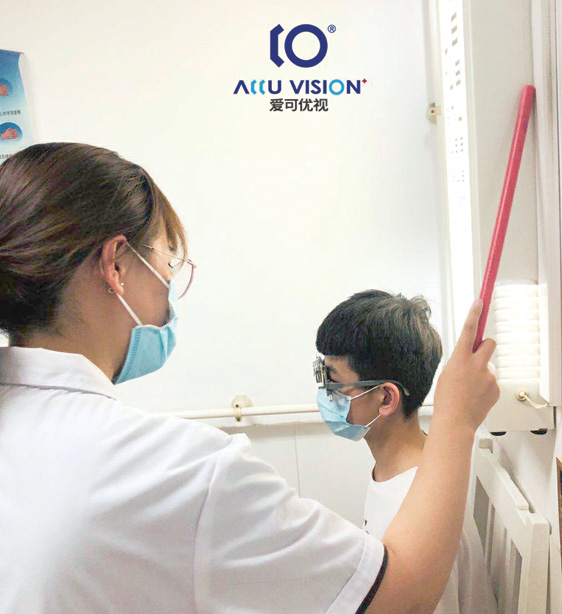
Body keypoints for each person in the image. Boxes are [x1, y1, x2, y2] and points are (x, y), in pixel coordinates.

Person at [0, 142, 499, 613]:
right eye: (168, 261)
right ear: (116, 266)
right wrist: (456, 419)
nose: (170, 290)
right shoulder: (179, 469)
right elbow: (402, 595)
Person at [315, 290, 497, 613]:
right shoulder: (396, 470)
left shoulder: (418, 503)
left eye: (334, 384)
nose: (325, 396)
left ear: (386, 399)